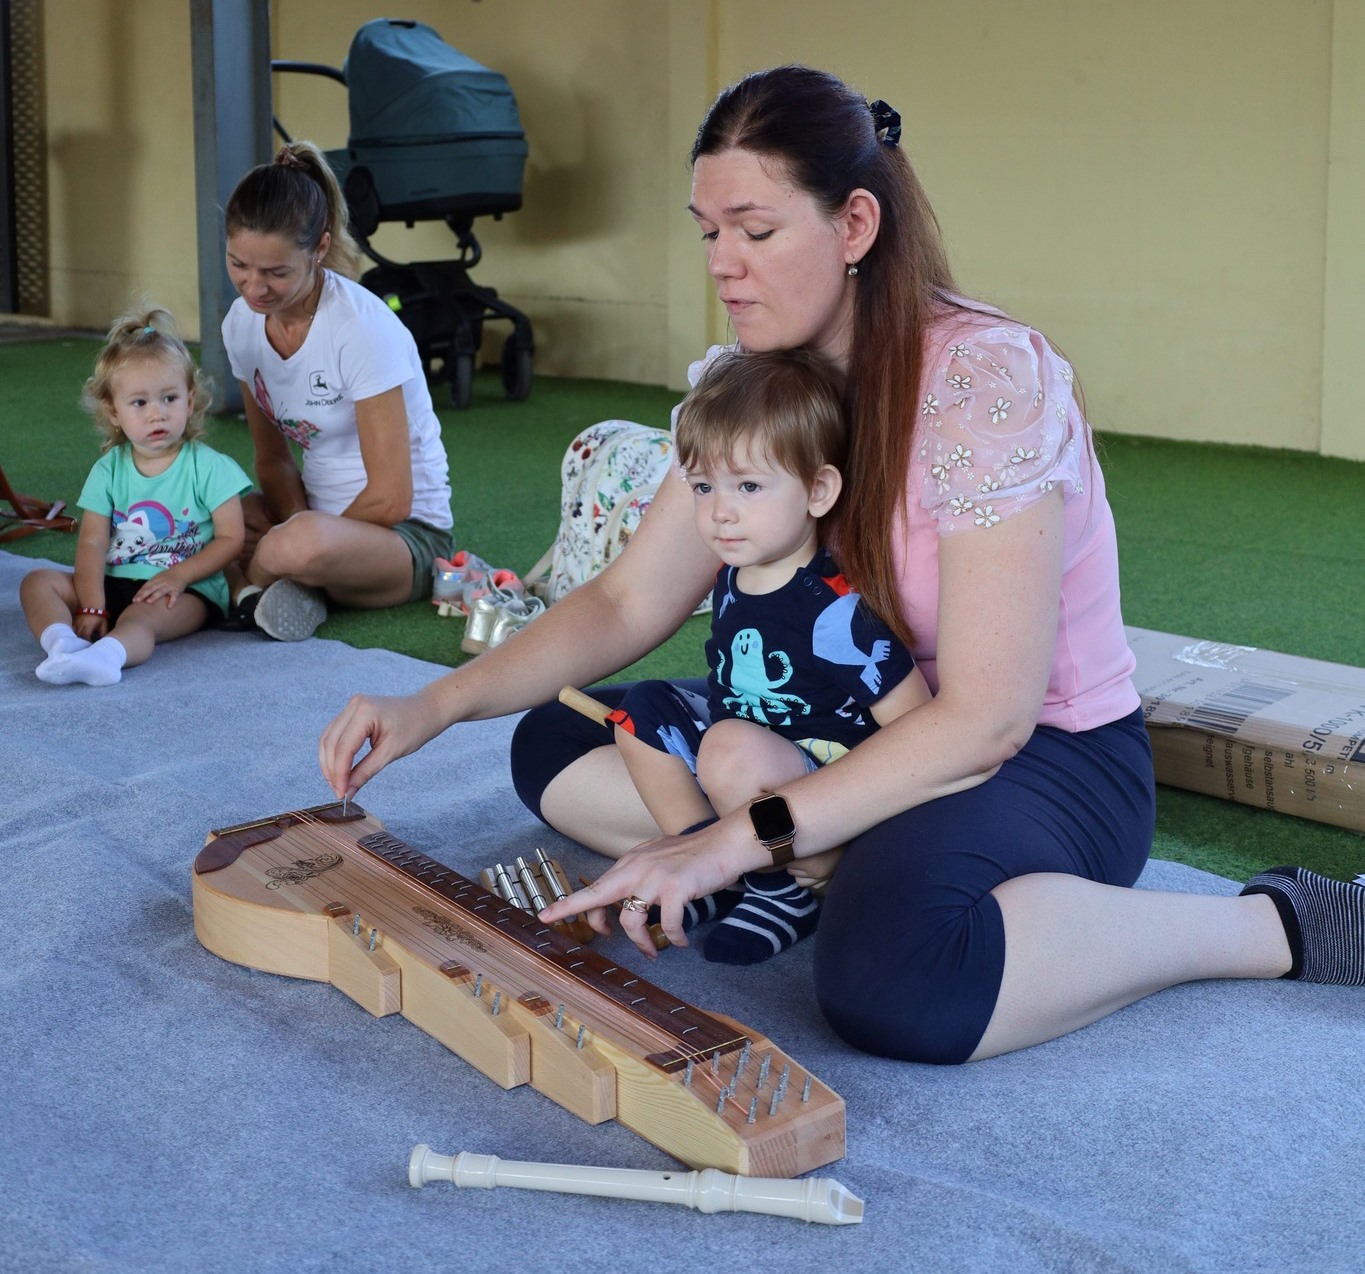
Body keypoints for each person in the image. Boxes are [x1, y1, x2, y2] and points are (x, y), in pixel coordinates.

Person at [318, 65, 1365, 1066]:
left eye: (756, 230)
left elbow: (987, 721)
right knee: (554, 737)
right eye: (709, 232)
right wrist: (436, 703)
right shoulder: (753, 386)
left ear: (855, 225)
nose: (722, 263)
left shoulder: (985, 386)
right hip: (834, 727)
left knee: (889, 975)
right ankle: (828, 856)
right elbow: (629, 599)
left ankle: (1268, 924)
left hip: (1039, 755)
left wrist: (726, 842)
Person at [611, 347, 930, 965]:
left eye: (749, 486)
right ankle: (706, 862)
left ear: (818, 490)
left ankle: (783, 890)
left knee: (728, 747)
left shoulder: (833, 608)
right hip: (747, 748)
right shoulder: (734, 573)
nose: (719, 511)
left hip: (821, 776)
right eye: (703, 486)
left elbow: (918, 730)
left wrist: (840, 835)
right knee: (639, 711)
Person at [220, 141, 453, 641]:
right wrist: (295, 523)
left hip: (403, 538)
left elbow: (391, 498)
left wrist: (290, 545)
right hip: (313, 519)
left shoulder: (360, 327)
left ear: (320, 249)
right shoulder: (241, 325)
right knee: (213, 514)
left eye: (277, 272)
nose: (254, 288)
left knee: (294, 545)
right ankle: (292, 580)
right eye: (239, 264)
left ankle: (247, 590)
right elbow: (273, 461)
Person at [19, 308, 250, 686]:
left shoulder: (210, 467)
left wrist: (178, 576)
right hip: (113, 581)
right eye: (140, 403)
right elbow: (92, 542)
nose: (157, 414)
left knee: (140, 618)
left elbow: (231, 539)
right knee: (38, 582)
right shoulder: (109, 469)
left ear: (190, 400)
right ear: (114, 412)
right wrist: (93, 603)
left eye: (170, 398)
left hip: (185, 591)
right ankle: (61, 644)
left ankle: (107, 658)